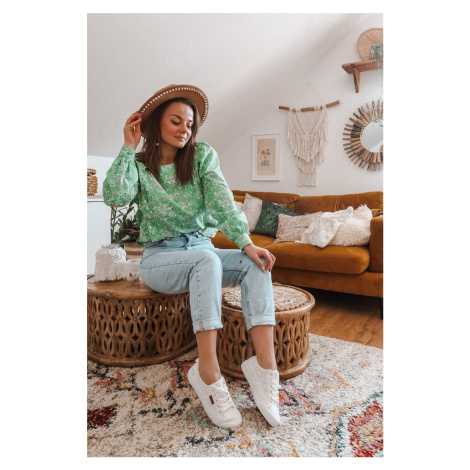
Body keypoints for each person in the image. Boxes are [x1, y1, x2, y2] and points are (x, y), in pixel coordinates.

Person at [103, 84, 280, 429]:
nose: (184, 129)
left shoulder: (202, 156)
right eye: (176, 121)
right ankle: (208, 371)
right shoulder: (139, 166)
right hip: (160, 258)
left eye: (189, 124)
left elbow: (222, 202)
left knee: (255, 264)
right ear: (156, 123)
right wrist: (127, 146)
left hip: (202, 249)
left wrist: (246, 244)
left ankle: (264, 366)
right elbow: (113, 195)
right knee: (206, 260)